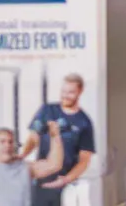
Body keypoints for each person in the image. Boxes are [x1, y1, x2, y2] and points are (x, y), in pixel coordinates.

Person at [19, 73, 96, 204]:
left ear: (80, 91)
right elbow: (33, 138)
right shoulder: (47, 110)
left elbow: (84, 160)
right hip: (41, 179)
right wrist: (20, 158)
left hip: (64, 184)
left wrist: (66, 179)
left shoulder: (84, 122)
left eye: (71, 92)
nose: (65, 95)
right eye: (63, 91)